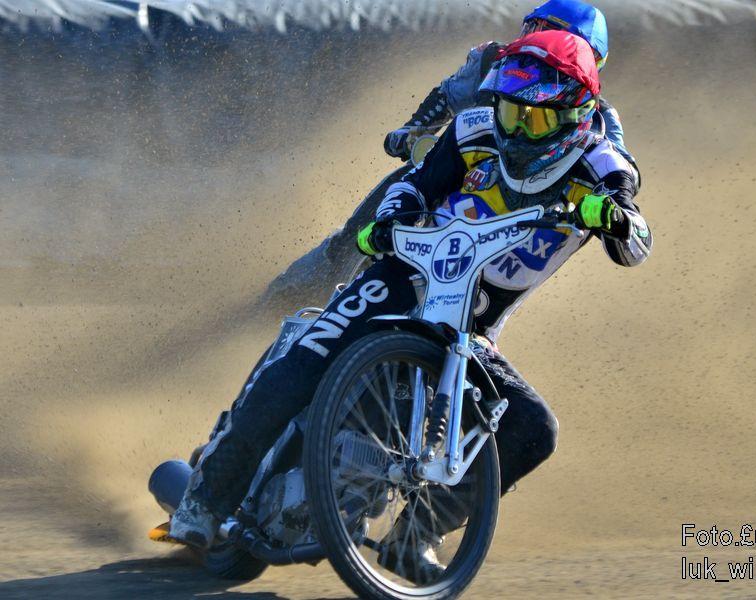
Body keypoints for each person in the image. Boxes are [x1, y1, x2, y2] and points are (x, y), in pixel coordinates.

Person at [170, 30, 652, 581]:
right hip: (403, 278)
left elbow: (636, 243)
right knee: (306, 361)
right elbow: (415, 186)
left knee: (535, 428)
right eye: (510, 112)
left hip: (471, 330)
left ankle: (416, 534)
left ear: (576, 115)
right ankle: (206, 498)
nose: (517, 130)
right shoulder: (475, 128)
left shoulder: (605, 165)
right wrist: (391, 219)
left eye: (535, 120)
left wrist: (613, 218)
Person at [262, 0, 637, 310]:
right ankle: (282, 300)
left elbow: (620, 171)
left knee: (485, 302)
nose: (539, 42)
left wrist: (606, 208)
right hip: (452, 174)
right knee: (364, 229)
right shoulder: (493, 60)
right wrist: (413, 130)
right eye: (536, 29)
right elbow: (447, 95)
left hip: (523, 215)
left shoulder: (601, 117)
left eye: (554, 35)